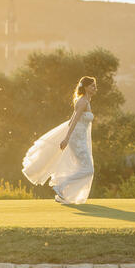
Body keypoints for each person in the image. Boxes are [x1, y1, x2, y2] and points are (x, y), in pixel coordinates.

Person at [22, 76, 97, 204]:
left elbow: (72, 120)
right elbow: (73, 121)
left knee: (82, 168)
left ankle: (62, 194)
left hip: (80, 138)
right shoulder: (83, 102)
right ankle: (61, 186)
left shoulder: (85, 100)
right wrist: (66, 138)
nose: (95, 88)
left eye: (95, 86)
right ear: (85, 87)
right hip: (77, 139)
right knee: (88, 169)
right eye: (92, 86)